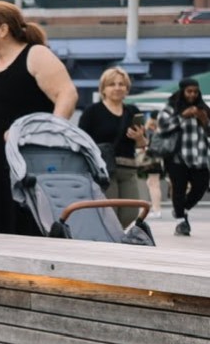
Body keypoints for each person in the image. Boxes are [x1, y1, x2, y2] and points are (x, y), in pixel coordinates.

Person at [0, 1, 78, 236]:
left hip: (24, 156)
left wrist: (46, 135)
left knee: (23, 221)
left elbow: (67, 94)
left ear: (3, 29)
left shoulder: (36, 54)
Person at [80, 67, 149, 206]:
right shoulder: (92, 112)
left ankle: (113, 229)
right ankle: (112, 229)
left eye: (121, 84)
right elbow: (81, 141)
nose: (117, 88)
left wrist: (139, 138)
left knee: (130, 212)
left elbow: (143, 144)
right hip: (104, 169)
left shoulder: (132, 111)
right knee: (110, 211)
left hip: (128, 168)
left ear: (127, 89)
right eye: (112, 84)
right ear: (103, 89)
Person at [152, 79, 210, 236]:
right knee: (179, 189)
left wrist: (205, 121)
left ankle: (181, 209)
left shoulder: (204, 108)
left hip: (200, 156)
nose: (192, 95)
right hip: (177, 157)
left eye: (195, 92)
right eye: (189, 91)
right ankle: (181, 222)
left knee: (201, 186)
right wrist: (182, 116)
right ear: (182, 91)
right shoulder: (171, 108)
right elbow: (162, 127)